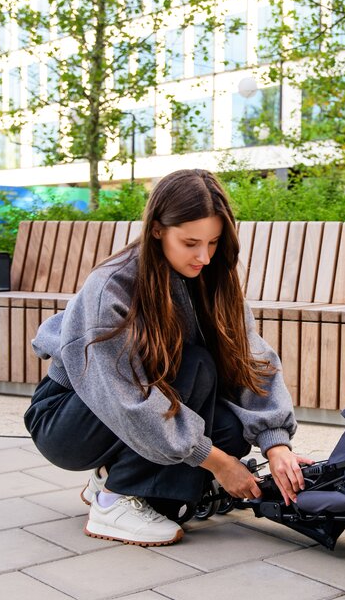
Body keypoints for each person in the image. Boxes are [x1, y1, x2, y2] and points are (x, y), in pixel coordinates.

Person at [24, 168, 310, 546]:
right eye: (190, 242)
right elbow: (125, 399)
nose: (204, 256)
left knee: (229, 429)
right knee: (195, 368)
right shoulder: (111, 287)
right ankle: (113, 502)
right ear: (157, 229)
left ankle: (110, 477)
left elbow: (249, 358)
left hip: (132, 405)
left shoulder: (214, 278)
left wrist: (276, 444)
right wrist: (219, 464)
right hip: (69, 419)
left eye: (213, 242)